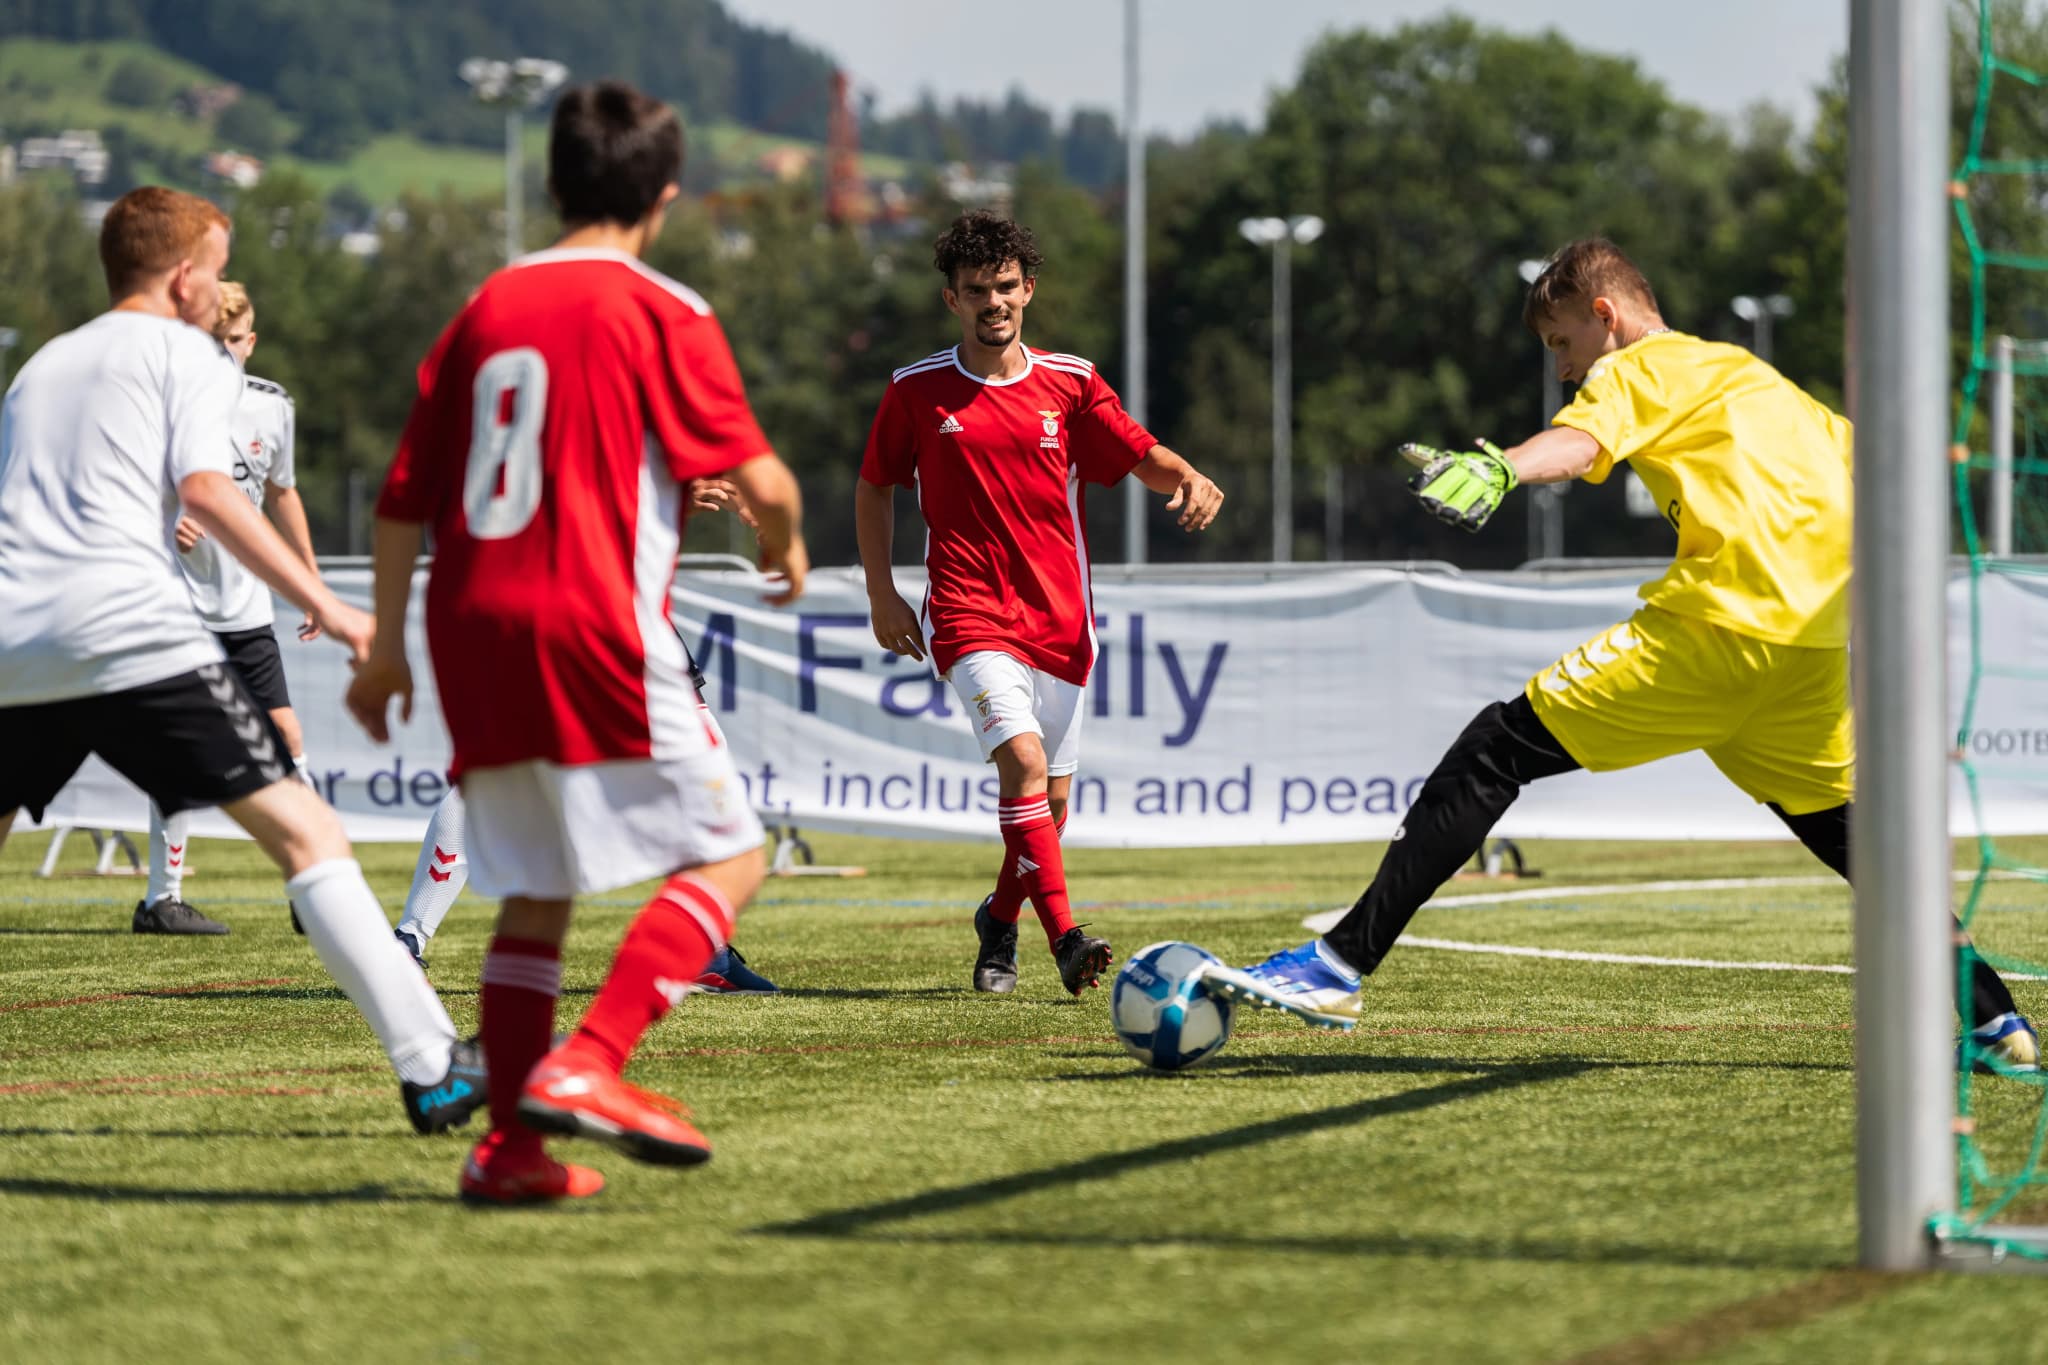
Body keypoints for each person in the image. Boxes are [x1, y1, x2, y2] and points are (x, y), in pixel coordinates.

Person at [1209, 237, 2039, 1073]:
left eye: (1561, 343)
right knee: (1855, 838)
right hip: (1811, 654)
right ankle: (1997, 1022)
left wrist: (1499, 469)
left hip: (1718, 629)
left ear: (1605, 315)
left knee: (1495, 748)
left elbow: (1579, 444)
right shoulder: (1761, 382)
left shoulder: (1640, 366)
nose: (1565, 369)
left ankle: (1336, 965)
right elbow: (1877, 486)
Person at [347, 80, 809, 1205]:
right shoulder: (662, 307)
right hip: (591, 614)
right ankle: (592, 1060)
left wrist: (388, 648)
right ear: (664, 195)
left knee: (534, 889)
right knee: (733, 855)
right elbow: (760, 478)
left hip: (471, 625)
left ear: (554, 183)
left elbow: (402, 497)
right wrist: (786, 549)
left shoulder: (484, 307)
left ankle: (509, 1150)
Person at [0, 185, 487, 1133]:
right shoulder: (185, 355)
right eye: (217, 270)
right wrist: (330, 605)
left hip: (16, 636)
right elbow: (215, 492)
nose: (220, 291)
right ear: (184, 278)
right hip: (127, 631)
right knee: (309, 836)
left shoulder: (42, 366)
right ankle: (433, 1065)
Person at [856, 210, 1224, 998]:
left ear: (1029, 289)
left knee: (1049, 806)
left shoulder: (1072, 381)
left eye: (1006, 287)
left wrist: (1187, 474)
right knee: (1021, 766)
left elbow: (1138, 453)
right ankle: (1066, 937)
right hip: (968, 614)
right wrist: (883, 589)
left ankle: (998, 919)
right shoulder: (916, 391)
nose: (994, 302)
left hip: (1060, 620)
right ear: (951, 300)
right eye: (976, 290)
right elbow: (874, 484)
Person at [391, 485, 777, 996]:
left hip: (560, 591)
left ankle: (407, 943)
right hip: (579, 596)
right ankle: (692, 958)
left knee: (508, 773)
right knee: (704, 778)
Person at [137, 281, 324, 935]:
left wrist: (308, 580)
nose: (221, 355)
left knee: (287, 737)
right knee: (173, 753)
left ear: (251, 343)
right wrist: (171, 528)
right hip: (175, 600)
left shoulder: (272, 407)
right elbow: (135, 488)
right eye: (210, 342)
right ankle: (163, 898)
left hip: (244, 607)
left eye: (231, 343)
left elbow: (284, 492)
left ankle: (315, 886)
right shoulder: (167, 403)